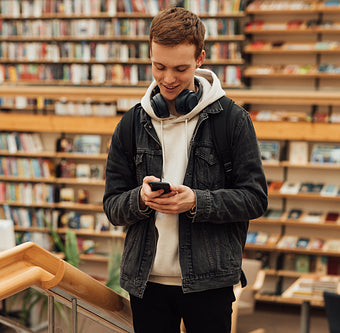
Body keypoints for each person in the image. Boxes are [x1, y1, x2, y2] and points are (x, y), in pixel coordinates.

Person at [103, 6, 268, 333]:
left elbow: (254, 199)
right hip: (146, 283)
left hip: (210, 284)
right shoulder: (131, 124)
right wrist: (141, 198)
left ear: (200, 59)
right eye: (158, 66)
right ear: (149, 55)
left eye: (180, 68)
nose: (167, 79)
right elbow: (112, 206)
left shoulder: (232, 121)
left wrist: (196, 201)